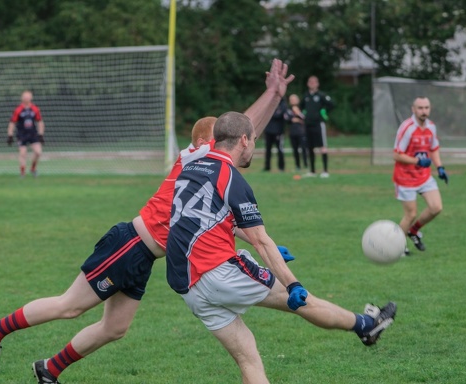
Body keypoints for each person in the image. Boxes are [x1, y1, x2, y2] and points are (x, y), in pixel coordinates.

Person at [0, 59, 295, 384]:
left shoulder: (207, 176)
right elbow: (243, 128)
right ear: (203, 142)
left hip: (143, 257)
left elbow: (246, 136)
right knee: (70, 307)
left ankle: (49, 369)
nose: (233, 142)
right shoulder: (196, 156)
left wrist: (276, 97)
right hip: (129, 244)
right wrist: (270, 92)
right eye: (221, 137)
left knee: (115, 328)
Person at [166, 111, 397, 384]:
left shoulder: (190, 167)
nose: (255, 146)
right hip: (218, 273)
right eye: (254, 140)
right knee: (303, 300)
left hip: (186, 284)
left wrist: (261, 245)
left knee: (248, 358)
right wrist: (292, 283)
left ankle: (365, 326)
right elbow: (262, 241)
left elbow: (212, 220)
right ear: (243, 140)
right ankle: (367, 326)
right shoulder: (232, 179)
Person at [393, 96, 448, 255]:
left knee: (436, 207)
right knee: (410, 214)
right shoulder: (407, 128)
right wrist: (417, 161)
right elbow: (396, 155)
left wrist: (440, 167)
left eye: (426, 108)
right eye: (420, 108)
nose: (424, 111)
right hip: (405, 177)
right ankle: (399, 246)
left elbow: (434, 148)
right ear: (413, 109)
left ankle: (414, 231)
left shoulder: (431, 127)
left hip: (423, 176)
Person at [299, 75, 334, 178]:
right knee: (310, 148)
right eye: (310, 82)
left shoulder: (321, 95)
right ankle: (312, 171)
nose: (312, 83)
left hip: (318, 124)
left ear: (317, 84)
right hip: (308, 125)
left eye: (314, 82)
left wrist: (324, 112)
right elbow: (301, 108)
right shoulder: (306, 96)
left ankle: (325, 171)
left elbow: (331, 104)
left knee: (322, 147)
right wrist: (303, 115)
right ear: (308, 83)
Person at [7, 90, 45, 177]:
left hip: (32, 134)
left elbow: (40, 122)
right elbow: (12, 123)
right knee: (23, 153)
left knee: (38, 152)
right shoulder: (18, 110)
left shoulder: (35, 109)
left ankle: (33, 168)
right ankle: (22, 172)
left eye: (28, 96)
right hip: (22, 134)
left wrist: (41, 134)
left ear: (31, 97)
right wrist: (10, 135)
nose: (26, 98)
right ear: (22, 98)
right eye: (25, 96)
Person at [263, 97, 288, 172]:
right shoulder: (269, 103)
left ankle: (281, 167)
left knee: (280, 150)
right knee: (268, 150)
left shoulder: (283, 104)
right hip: (268, 131)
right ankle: (267, 167)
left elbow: (279, 115)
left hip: (278, 132)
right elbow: (265, 114)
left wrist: (271, 113)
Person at [286, 94, 308, 171]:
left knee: (304, 149)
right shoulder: (288, 109)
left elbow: (305, 118)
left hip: (302, 132)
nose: (293, 101)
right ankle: (297, 165)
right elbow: (287, 119)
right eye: (291, 99)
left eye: (294, 99)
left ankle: (306, 164)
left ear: (298, 100)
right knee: (295, 150)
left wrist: (298, 113)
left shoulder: (302, 108)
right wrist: (295, 119)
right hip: (293, 132)